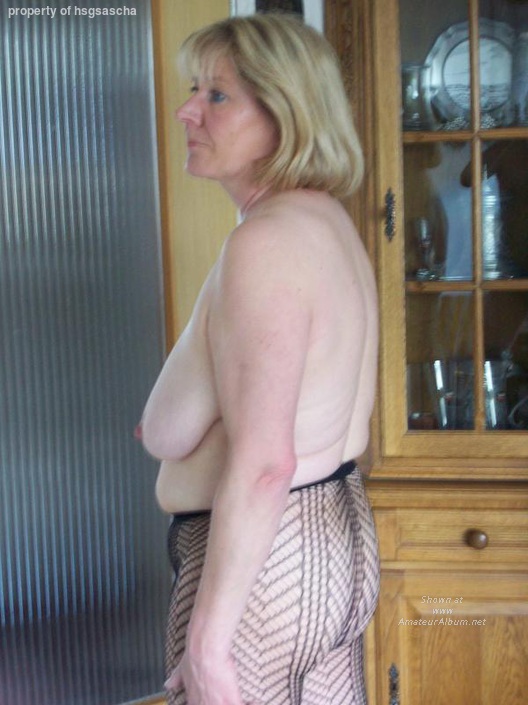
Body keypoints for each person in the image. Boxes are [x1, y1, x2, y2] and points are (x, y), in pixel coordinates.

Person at [139, 12, 379, 705]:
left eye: (217, 95)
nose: (187, 111)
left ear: (286, 115)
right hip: (331, 538)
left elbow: (267, 461)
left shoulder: (266, 246)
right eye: (195, 89)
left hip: (268, 564)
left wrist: (208, 645)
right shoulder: (324, 221)